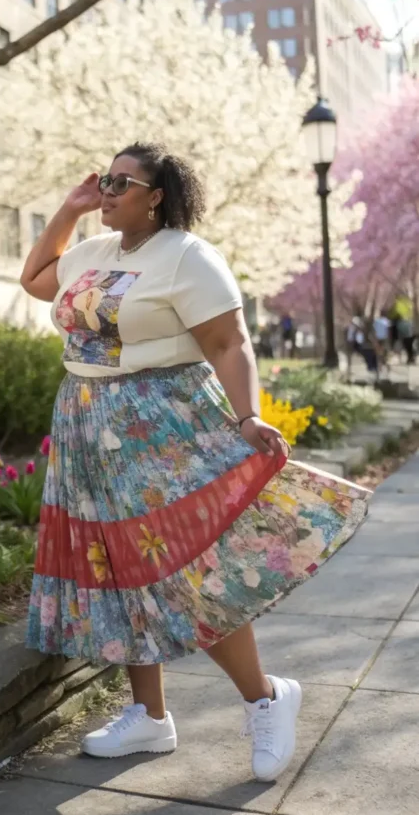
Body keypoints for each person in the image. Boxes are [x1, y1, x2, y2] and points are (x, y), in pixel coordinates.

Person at [21, 143, 370, 782]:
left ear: (156, 196)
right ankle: (150, 717)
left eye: (120, 183)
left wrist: (247, 416)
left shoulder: (187, 256)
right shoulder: (94, 253)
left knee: (187, 568)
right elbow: (37, 279)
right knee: (116, 565)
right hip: (84, 421)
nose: (107, 189)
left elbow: (229, 343)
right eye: (104, 178)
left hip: (161, 422)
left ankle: (266, 698)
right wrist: (70, 210)